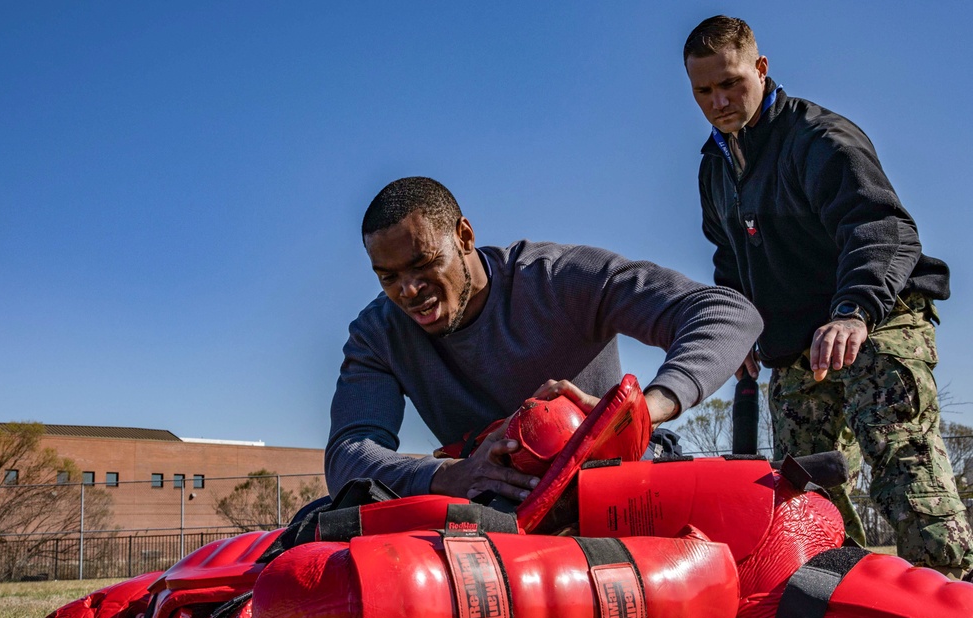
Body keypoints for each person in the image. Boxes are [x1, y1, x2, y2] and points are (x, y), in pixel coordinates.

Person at [683, 15, 973, 575]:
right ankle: (847, 609)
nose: (719, 100)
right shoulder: (713, 170)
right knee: (803, 495)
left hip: (874, 319)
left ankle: (957, 616)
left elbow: (882, 228)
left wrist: (853, 312)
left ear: (761, 69)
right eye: (704, 90)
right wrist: (737, 329)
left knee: (902, 467)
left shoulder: (818, 138)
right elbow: (729, 261)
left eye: (732, 83)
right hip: (796, 345)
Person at [326, 176, 763, 505]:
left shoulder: (561, 279)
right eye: (389, 277)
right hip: (495, 513)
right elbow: (349, 454)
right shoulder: (376, 335)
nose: (408, 290)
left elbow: (727, 312)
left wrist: (638, 414)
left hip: (616, 488)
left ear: (464, 237)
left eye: (423, 264)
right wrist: (449, 475)